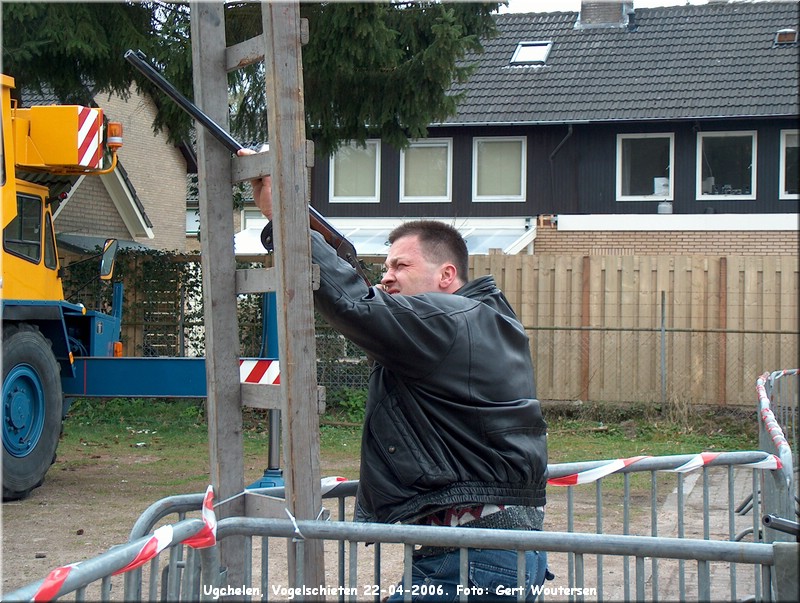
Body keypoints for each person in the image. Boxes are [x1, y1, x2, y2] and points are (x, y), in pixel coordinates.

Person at [242, 152, 550, 601]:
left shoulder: (451, 318)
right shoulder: (475, 320)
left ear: (447, 275)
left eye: (400, 266)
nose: (387, 277)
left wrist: (285, 214)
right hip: (482, 552)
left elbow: (357, 307)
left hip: (474, 558)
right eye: (385, 267)